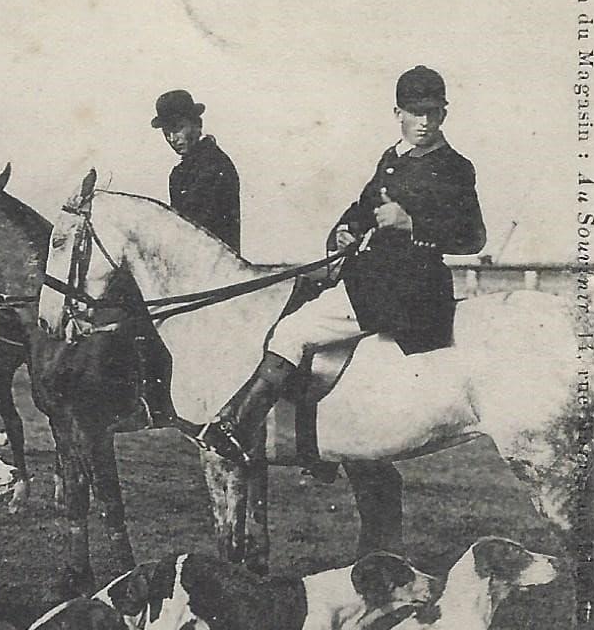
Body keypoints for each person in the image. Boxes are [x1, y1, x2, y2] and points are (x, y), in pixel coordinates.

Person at [197, 65, 487, 465]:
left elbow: (472, 237)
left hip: (410, 289)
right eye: (415, 112)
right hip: (374, 280)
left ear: (444, 114)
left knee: (292, 331)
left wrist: (413, 224)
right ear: (398, 113)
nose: (424, 121)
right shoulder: (392, 158)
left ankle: (238, 428)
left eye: (432, 112)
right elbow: (362, 209)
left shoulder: (454, 166)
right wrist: (345, 232)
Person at [152, 89, 241, 253]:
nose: (172, 139)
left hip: (216, 263)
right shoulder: (179, 173)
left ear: (197, 125)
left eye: (177, 128)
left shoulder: (215, 165)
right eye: (166, 133)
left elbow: (191, 227)